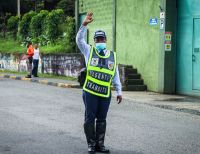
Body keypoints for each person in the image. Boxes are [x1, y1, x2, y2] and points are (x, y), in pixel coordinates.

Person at [76, 12, 122, 154]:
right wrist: (84, 25)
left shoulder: (112, 56)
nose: (100, 41)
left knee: (102, 119)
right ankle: (91, 144)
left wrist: (119, 91)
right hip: (90, 92)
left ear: (106, 40)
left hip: (104, 94)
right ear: (95, 41)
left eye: (102, 38)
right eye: (97, 39)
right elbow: (79, 40)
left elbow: (115, 75)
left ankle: (99, 145)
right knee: (90, 118)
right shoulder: (89, 51)